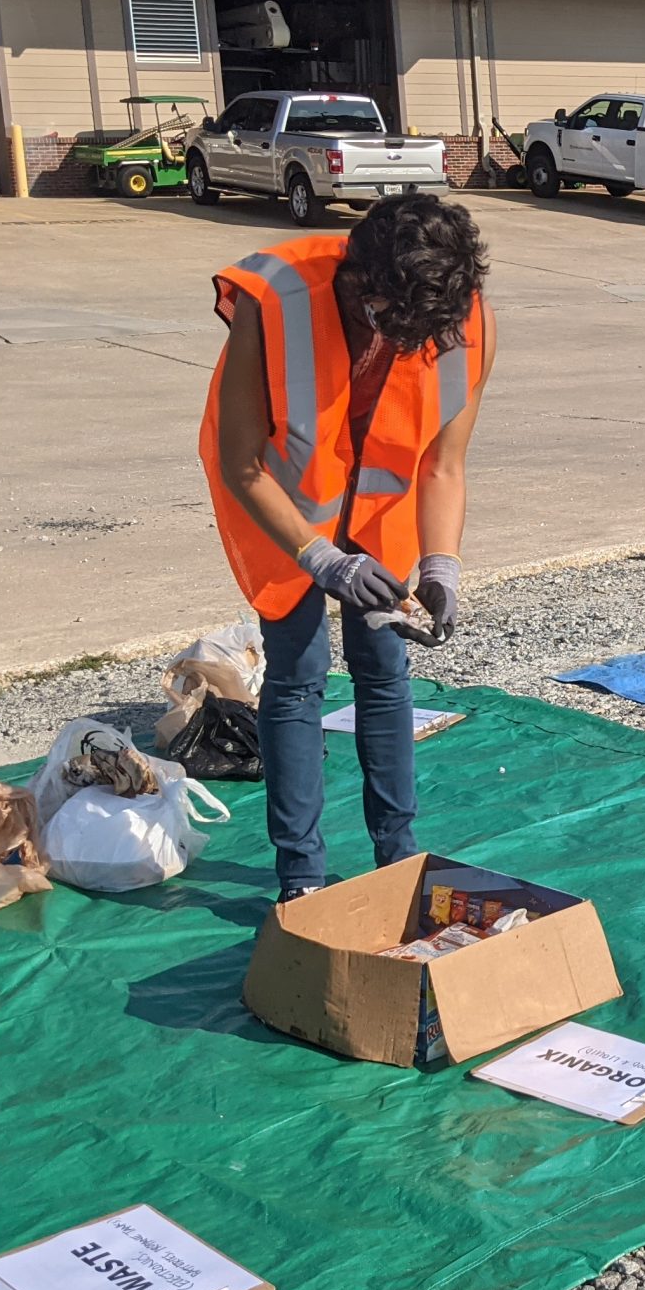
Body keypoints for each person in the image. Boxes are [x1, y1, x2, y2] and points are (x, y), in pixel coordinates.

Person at [198, 194, 495, 900]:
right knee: (297, 676)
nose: (408, 345)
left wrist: (442, 563)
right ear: (362, 287)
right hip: (284, 508)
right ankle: (301, 877)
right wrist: (320, 557)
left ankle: (397, 855)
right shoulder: (275, 301)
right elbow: (242, 461)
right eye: (396, 328)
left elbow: (444, 464)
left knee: (384, 671)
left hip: (379, 509)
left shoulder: (457, 311)